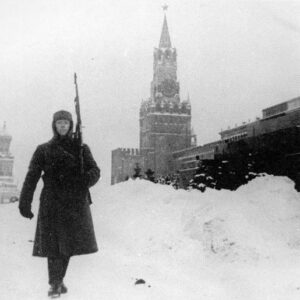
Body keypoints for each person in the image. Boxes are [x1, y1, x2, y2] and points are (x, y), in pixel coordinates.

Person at [18, 110, 100, 297]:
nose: (63, 126)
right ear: (54, 125)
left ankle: (58, 280)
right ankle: (55, 283)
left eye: (66, 123)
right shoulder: (43, 149)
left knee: (69, 244)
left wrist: (85, 179)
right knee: (54, 245)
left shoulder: (81, 148)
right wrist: (25, 202)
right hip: (52, 202)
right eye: (59, 123)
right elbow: (32, 177)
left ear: (71, 125)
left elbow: (95, 170)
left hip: (74, 202)